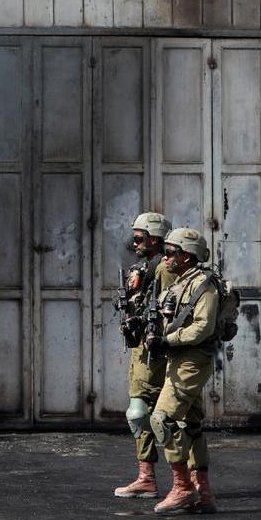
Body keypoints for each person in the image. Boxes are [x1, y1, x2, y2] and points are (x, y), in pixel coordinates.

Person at [146, 227, 218, 515]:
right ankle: (204, 491)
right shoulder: (180, 283)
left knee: (161, 419)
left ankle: (183, 487)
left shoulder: (204, 285)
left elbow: (203, 326)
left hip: (192, 359)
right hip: (178, 358)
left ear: (186, 256)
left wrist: (169, 339)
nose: (166, 257)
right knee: (191, 424)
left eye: (171, 252)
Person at [113, 212, 176, 499]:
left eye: (139, 238)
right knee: (138, 414)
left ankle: (185, 481)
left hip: (159, 351)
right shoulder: (147, 267)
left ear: (154, 238)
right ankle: (146, 478)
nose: (134, 243)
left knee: (166, 417)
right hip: (142, 348)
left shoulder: (167, 268)